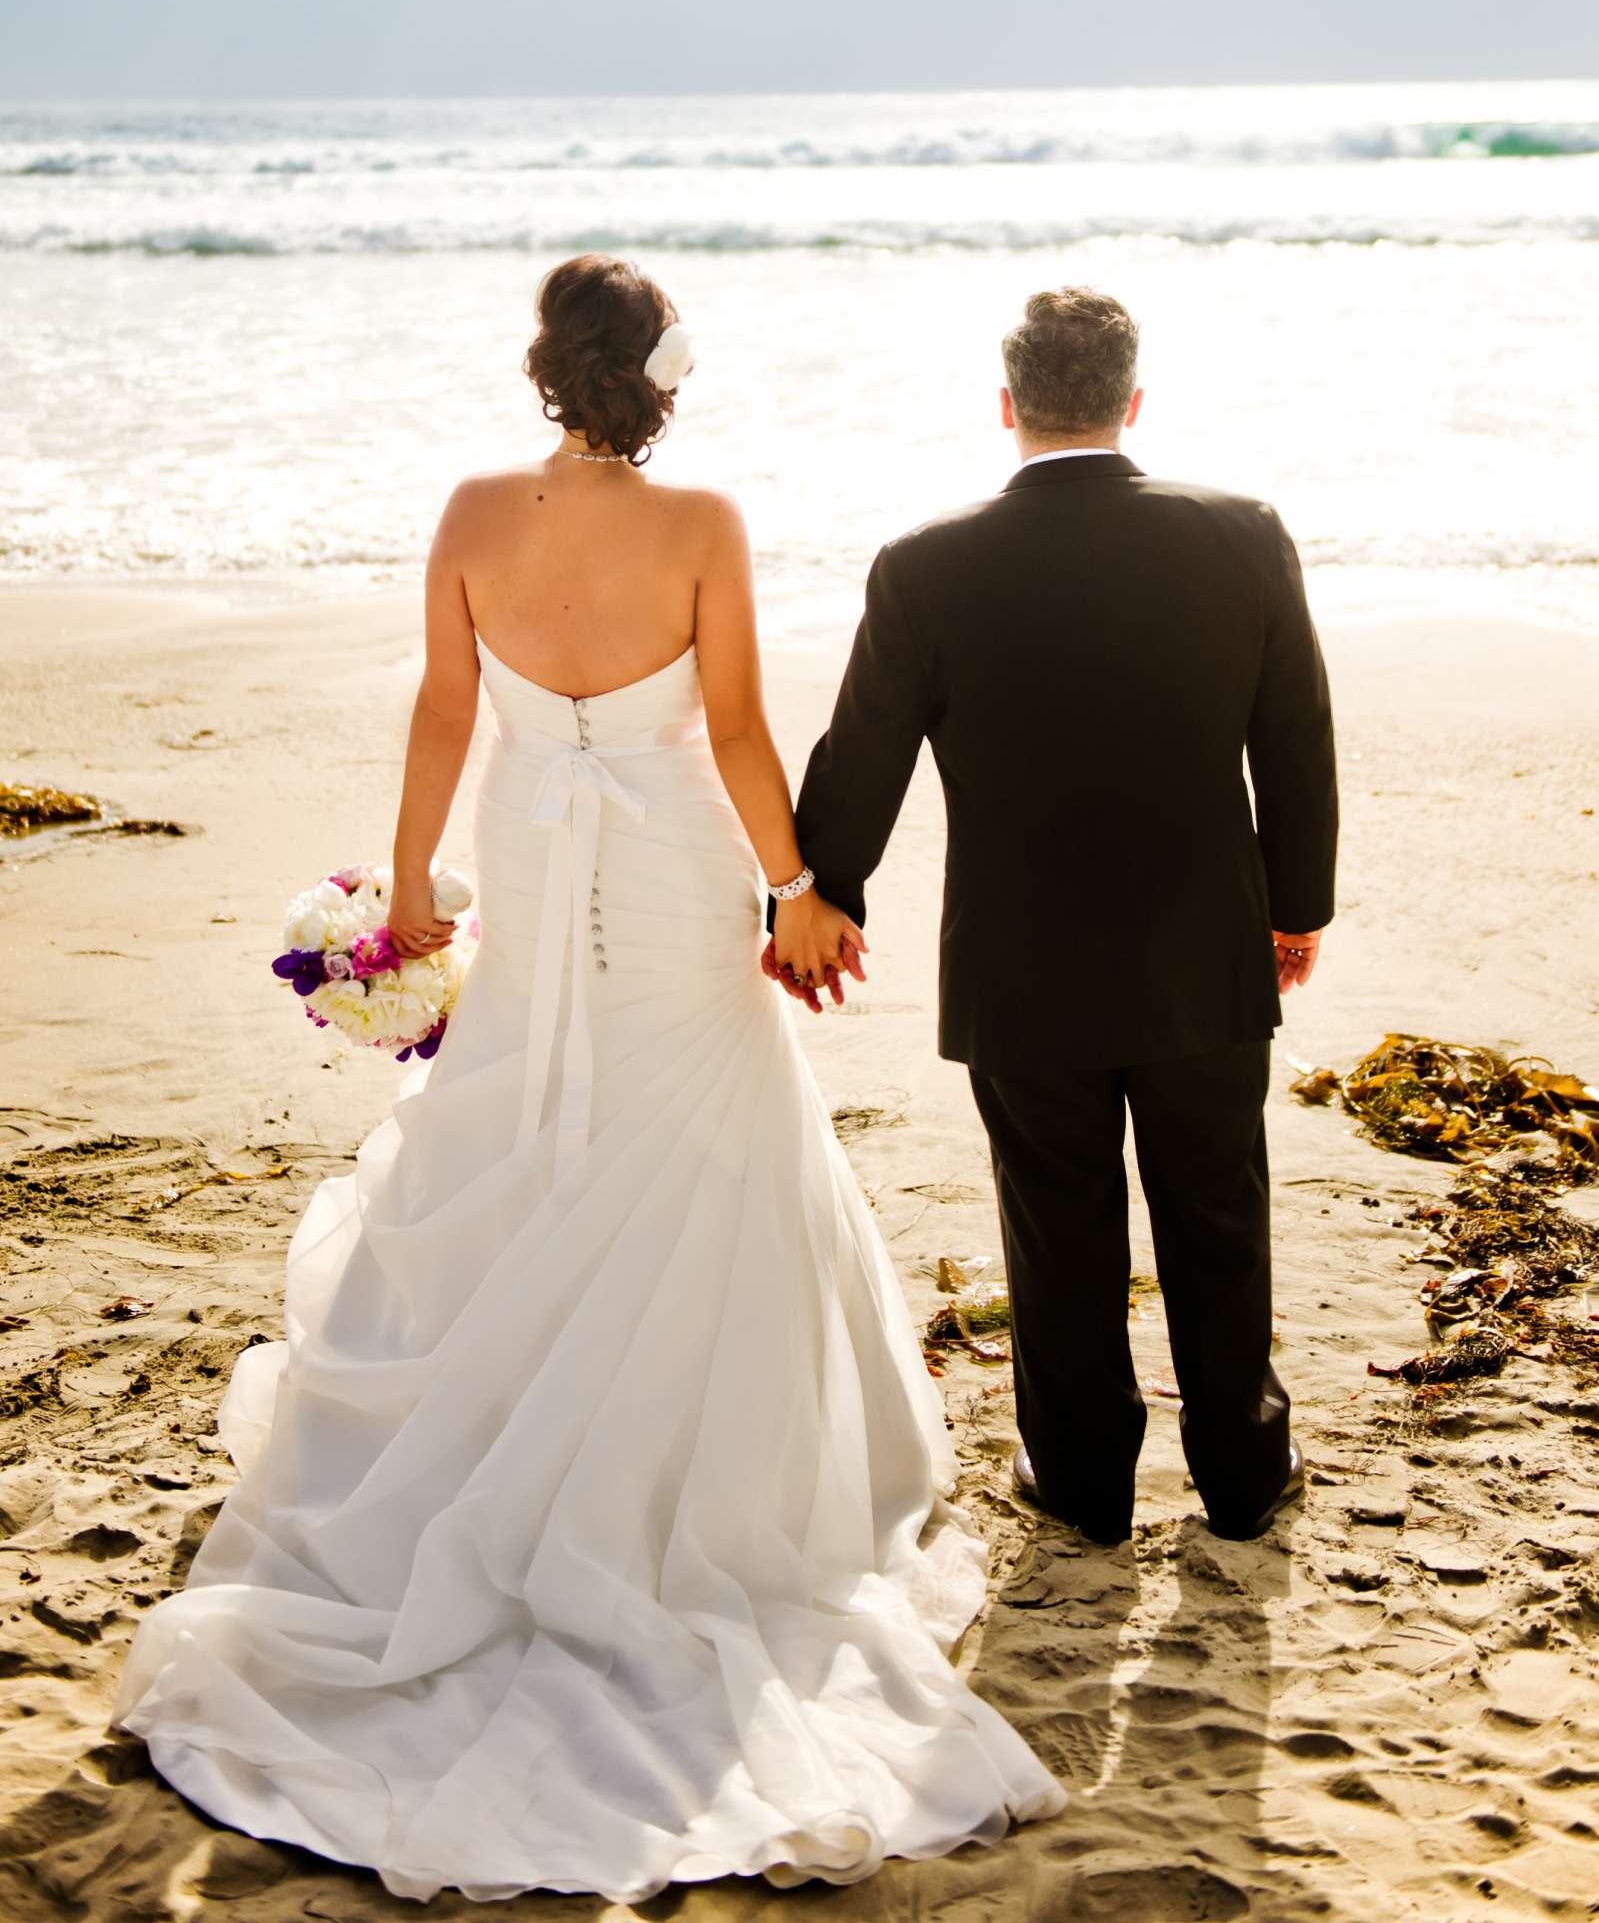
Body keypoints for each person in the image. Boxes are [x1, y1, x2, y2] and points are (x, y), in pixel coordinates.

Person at [109, 254, 1065, 1905]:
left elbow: (442, 705)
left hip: (535, 858)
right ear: (658, 379)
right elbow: (744, 733)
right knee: (702, 1142)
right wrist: (797, 893)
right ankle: (705, 1496)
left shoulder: (474, 510)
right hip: (678, 871)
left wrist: (407, 884)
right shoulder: (700, 524)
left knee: (520, 1135)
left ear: (547, 370)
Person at [774, 285, 1338, 1548]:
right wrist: (1297, 910)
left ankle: (1082, 1480)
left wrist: (816, 899)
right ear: (1133, 403)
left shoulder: (927, 565)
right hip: (1205, 950)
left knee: (1058, 1224)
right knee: (1217, 1209)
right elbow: (1294, 737)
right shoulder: (1243, 534)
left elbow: (864, 752)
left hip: (1022, 967)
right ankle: (1243, 1472)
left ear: (1009, 405)